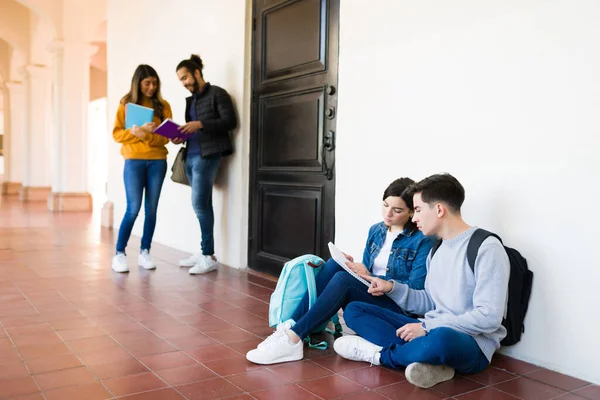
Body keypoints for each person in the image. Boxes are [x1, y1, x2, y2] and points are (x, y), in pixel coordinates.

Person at [333, 173, 510, 389]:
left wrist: (428, 327)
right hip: (429, 328)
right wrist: (392, 288)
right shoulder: (436, 249)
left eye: (417, 210)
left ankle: (380, 355)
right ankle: (427, 360)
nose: (413, 218)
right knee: (354, 310)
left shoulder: (486, 248)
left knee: (442, 339)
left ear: (438, 210)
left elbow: (489, 317)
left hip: (469, 341)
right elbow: (429, 302)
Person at [245, 178, 435, 365]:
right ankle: (290, 327)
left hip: (398, 306)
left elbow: (415, 287)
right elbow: (368, 269)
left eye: (397, 210)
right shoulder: (376, 230)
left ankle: (293, 338)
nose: (388, 214)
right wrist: (355, 267)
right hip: (373, 292)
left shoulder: (422, 240)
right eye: (385, 206)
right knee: (335, 265)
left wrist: (372, 275)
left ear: (411, 212)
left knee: (343, 280)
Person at [171, 54, 236, 275]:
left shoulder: (218, 93)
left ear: (197, 73)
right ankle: (204, 251)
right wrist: (181, 135)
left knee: (199, 204)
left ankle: (208, 255)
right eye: (180, 80)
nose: (184, 83)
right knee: (203, 205)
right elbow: (195, 130)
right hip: (190, 155)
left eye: (186, 77)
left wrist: (200, 124)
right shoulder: (192, 100)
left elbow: (230, 122)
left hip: (208, 155)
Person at [111, 65, 172, 273]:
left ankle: (145, 252)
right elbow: (117, 134)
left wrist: (147, 135)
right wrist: (135, 132)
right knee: (133, 208)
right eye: (147, 83)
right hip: (133, 161)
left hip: (157, 161)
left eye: (155, 83)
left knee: (151, 209)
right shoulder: (125, 104)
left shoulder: (163, 106)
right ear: (138, 83)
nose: (152, 87)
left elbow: (167, 138)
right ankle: (119, 253)